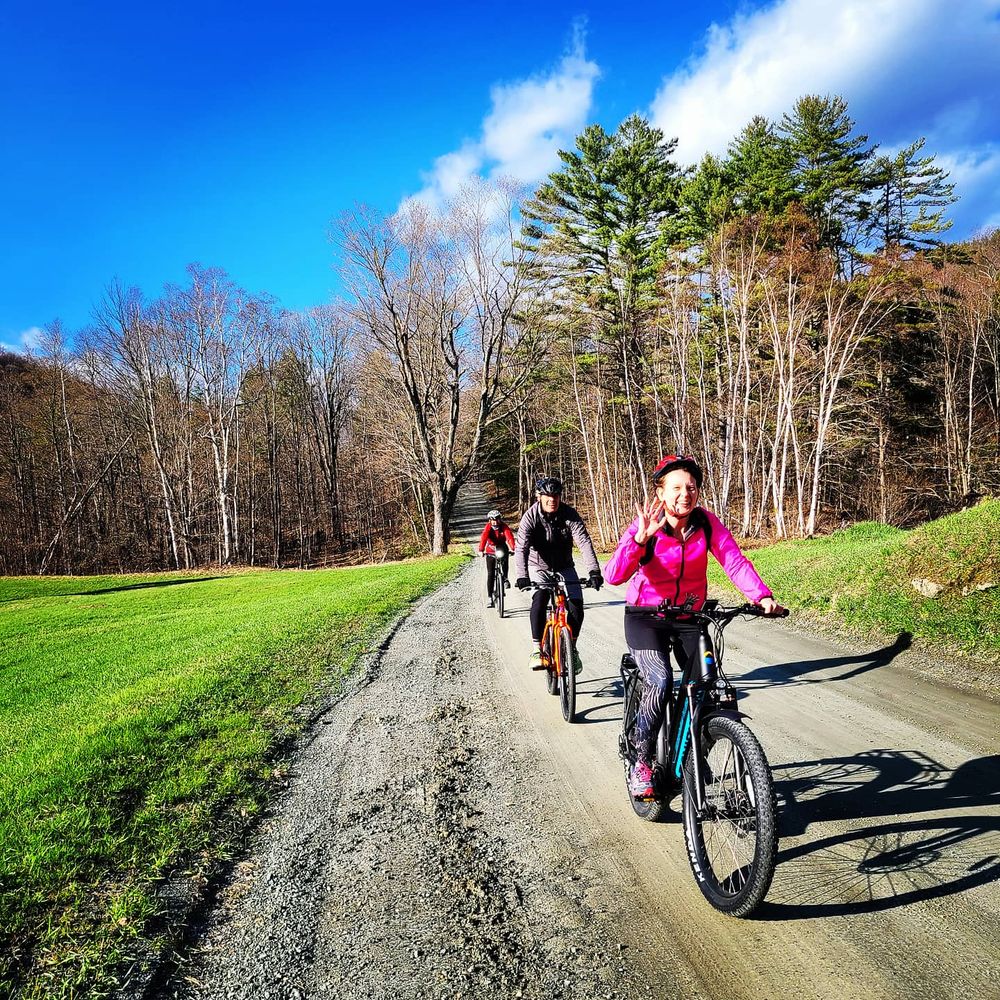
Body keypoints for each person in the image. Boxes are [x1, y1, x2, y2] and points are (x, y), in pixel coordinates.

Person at [603, 454, 784, 799]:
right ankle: (641, 760)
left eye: (691, 487)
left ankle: (693, 757)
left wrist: (761, 596)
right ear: (660, 492)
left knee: (707, 686)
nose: (685, 494)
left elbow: (733, 561)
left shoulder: (705, 523)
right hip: (646, 616)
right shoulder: (648, 526)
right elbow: (614, 575)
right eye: (676, 487)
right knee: (659, 680)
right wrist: (638, 541)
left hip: (690, 617)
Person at [514, 477, 603, 675]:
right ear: (539, 497)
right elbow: (521, 548)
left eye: (555, 496)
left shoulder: (569, 514)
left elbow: (583, 541)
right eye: (547, 496)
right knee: (540, 598)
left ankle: (572, 648)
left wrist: (594, 571)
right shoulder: (530, 517)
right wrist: (522, 576)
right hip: (538, 566)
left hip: (564, 566)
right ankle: (537, 649)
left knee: (576, 605)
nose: (552, 500)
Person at [478, 509, 516, 607]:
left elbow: (509, 537)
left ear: (500, 519)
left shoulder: (504, 526)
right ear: (490, 520)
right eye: (493, 520)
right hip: (490, 549)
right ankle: (490, 597)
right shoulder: (488, 527)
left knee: (505, 560)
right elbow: (484, 537)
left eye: (497, 519)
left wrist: (514, 548)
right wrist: (481, 550)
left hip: (501, 547)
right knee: (490, 573)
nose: (495, 522)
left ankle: (505, 579)